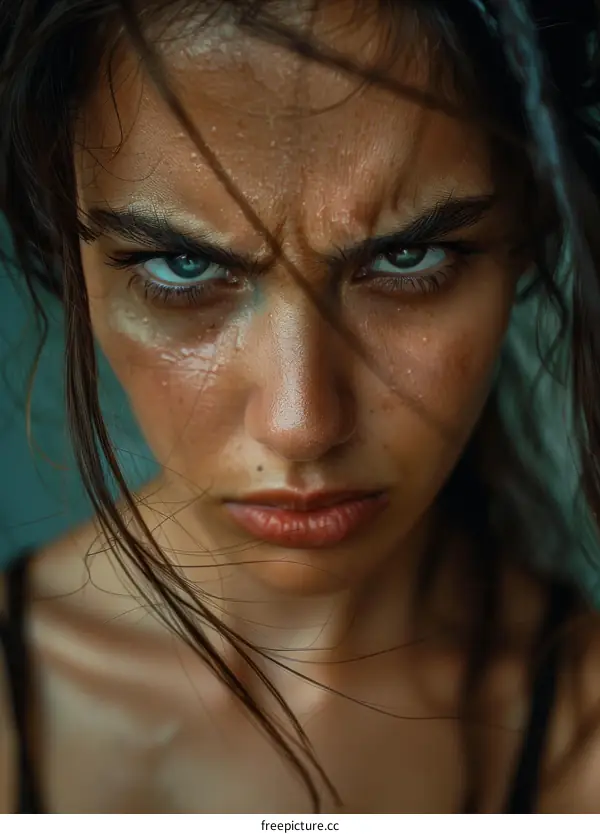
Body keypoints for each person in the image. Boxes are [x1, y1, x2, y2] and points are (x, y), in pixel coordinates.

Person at [1, 0, 600, 814]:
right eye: (181, 266)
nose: (301, 423)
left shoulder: (579, 735)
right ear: (65, 246)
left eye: (407, 256)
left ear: (528, 227)